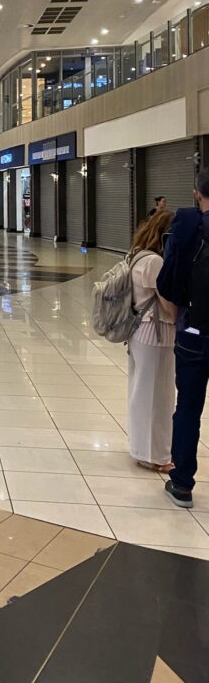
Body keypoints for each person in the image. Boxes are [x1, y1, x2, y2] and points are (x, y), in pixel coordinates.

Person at [157, 169, 209, 508]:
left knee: (188, 406)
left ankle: (182, 484)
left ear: (196, 193)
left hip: (194, 330)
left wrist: (179, 318)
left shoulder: (188, 226)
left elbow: (167, 281)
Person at [126, 211, 177, 472]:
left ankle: (141, 447)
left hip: (139, 332)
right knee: (158, 395)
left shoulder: (138, 254)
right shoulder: (156, 263)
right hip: (156, 333)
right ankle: (154, 455)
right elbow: (168, 307)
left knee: (141, 391)